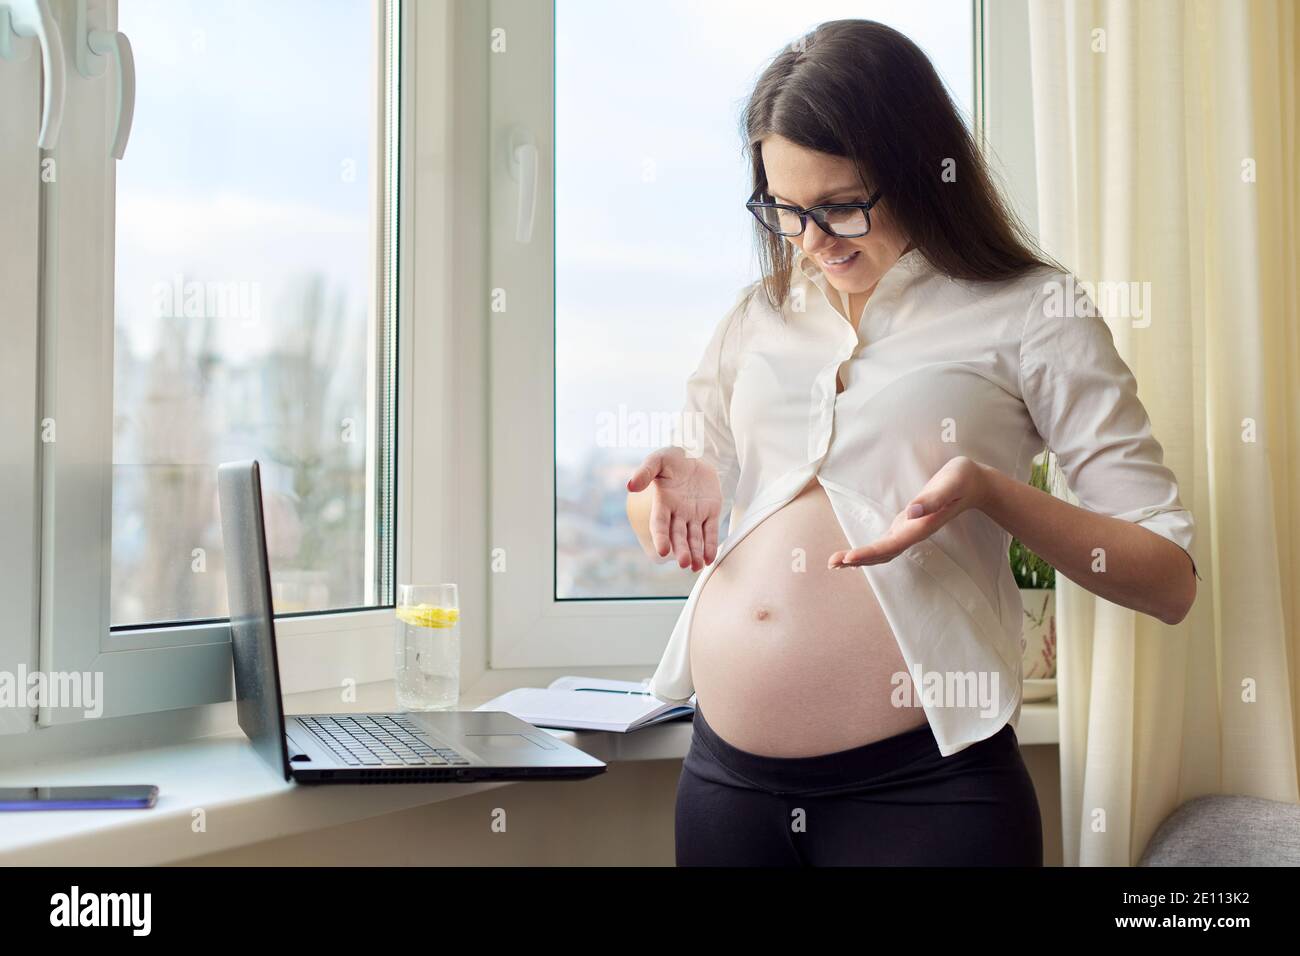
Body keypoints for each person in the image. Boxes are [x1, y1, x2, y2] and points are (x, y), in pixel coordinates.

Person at [624, 19, 1198, 867]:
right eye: (785, 210)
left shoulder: (1033, 310)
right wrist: (668, 498)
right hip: (727, 788)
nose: (812, 242)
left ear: (925, 170)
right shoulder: (761, 315)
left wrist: (992, 492)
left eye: (840, 205)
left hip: (927, 796)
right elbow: (674, 498)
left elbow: (1169, 579)